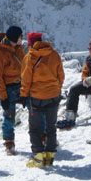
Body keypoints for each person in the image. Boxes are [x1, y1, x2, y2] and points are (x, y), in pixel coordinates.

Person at [20, 32, 65, 168]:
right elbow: (61, 75)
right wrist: (56, 89)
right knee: (51, 127)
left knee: (35, 128)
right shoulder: (54, 54)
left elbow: (26, 80)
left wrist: (23, 95)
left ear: (31, 44)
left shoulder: (30, 57)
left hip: (37, 98)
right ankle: (49, 157)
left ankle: (38, 157)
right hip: (53, 97)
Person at [0, 25, 24, 155]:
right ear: (15, 38)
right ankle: (9, 142)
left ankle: (41, 136)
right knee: (9, 115)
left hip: (21, 84)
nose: (22, 38)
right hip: (9, 88)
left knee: (35, 107)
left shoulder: (19, 48)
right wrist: (3, 96)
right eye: (21, 36)